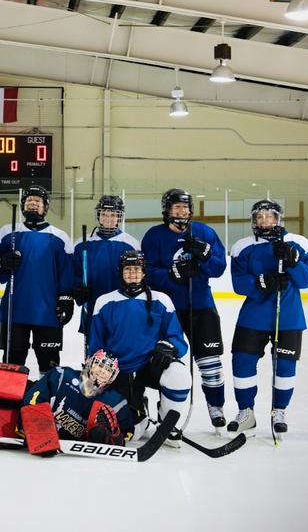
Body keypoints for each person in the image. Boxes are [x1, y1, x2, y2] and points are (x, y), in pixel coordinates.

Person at [227, 199, 308, 435]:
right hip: (253, 317)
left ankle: (279, 410)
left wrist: (293, 262)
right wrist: (262, 282)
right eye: (260, 217)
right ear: (254, 220)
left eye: (270, 216)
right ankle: (246, 411)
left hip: (288, 316)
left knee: (285, 366)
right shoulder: (242, 246)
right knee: (242, 361)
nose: (265, 221)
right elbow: (238, 283)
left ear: (278, 218)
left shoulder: (298, 243)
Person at [142, 188, 228, 429]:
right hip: (168, 310)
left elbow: (219, 268)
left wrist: (206, 255)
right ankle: (166, 410)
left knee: (210, 361)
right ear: (167, 210)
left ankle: (216, 406)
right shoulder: (154, 236)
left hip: (201, 306)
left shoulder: (204, 232)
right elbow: (145, 271)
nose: (182, 211)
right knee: (166, 362)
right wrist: (172, 274)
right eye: (176, 206)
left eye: (185, 207)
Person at [88, 250, 191, 446]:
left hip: (150, 364)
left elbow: (179, 340)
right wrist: (97, 366)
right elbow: (95, 344)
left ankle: (167, 424)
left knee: (179, 375)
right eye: (128, 270)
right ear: (121, 273)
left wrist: (169, 347)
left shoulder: (161, 300)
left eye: (137, 269)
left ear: (144, 272)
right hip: (118, 370)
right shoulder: (104, 301)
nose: (132, 274)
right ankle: (140, 412)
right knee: (132, 434)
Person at [0, 184, 75, 374]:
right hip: (14, 311)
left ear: (45, 207)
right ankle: (10, 401)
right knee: (12, 364)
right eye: (29, 200)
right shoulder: (7, 233)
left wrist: (66, 299)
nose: (33, 204)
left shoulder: (59, 237)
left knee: (49, 366)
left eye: (37, 201)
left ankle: (46, 401)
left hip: (48, 312)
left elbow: (67, 273)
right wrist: (3, 263)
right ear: (23, 206)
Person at [20, 350, 136, 446]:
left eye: (109, 370)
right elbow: (33, 399)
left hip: (76, 445)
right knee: (20, 391)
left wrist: (114, 436)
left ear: (113, 376)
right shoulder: (62, 376)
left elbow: (128, 431)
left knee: (98, 434)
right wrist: (36, 430)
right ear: (89, 362)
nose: (103, 372)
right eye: (99, 365)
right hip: (46, 429)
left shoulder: (116, 402)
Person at [72, 195, 140, 350]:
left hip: (122, 305)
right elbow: (75, 273)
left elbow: (140, 276)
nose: (108, 218)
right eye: (104, 214)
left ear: (119, 217)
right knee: (95, 351)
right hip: (93, 305)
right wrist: (77, 289)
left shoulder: (131, 243)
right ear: (98, 215)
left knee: (121, 347)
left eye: (113, 214)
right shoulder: (81, 243)